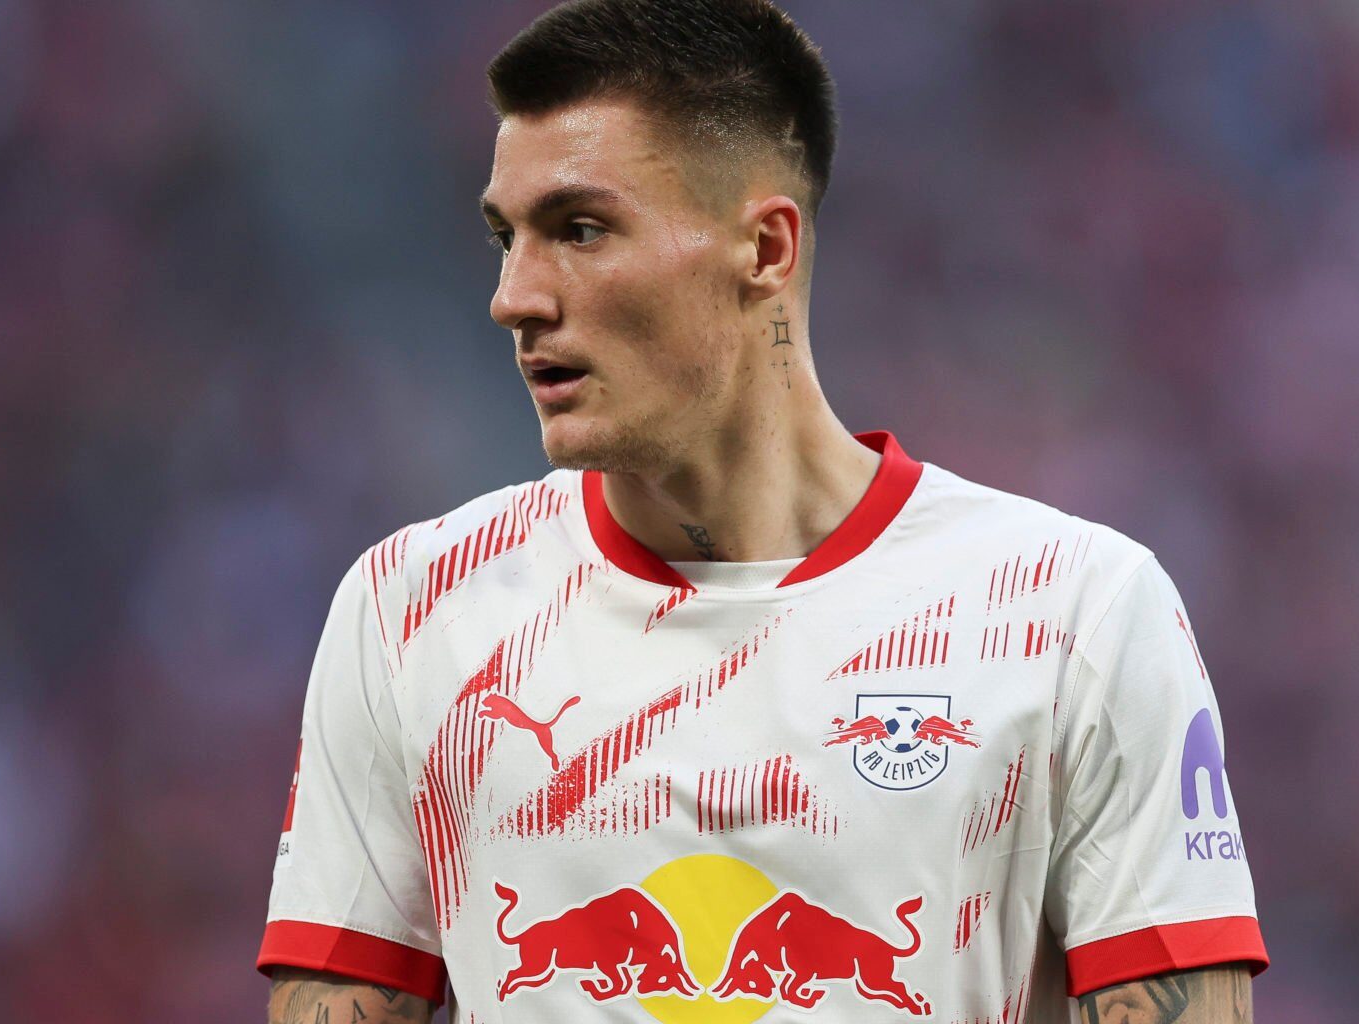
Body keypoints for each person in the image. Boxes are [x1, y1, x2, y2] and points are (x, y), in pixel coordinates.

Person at [258, 1, 1266, 1020]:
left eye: (580, 230)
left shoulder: (1074, 612)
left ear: (766, 248)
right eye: (504, 238)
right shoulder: (413, 611)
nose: (514, 296)